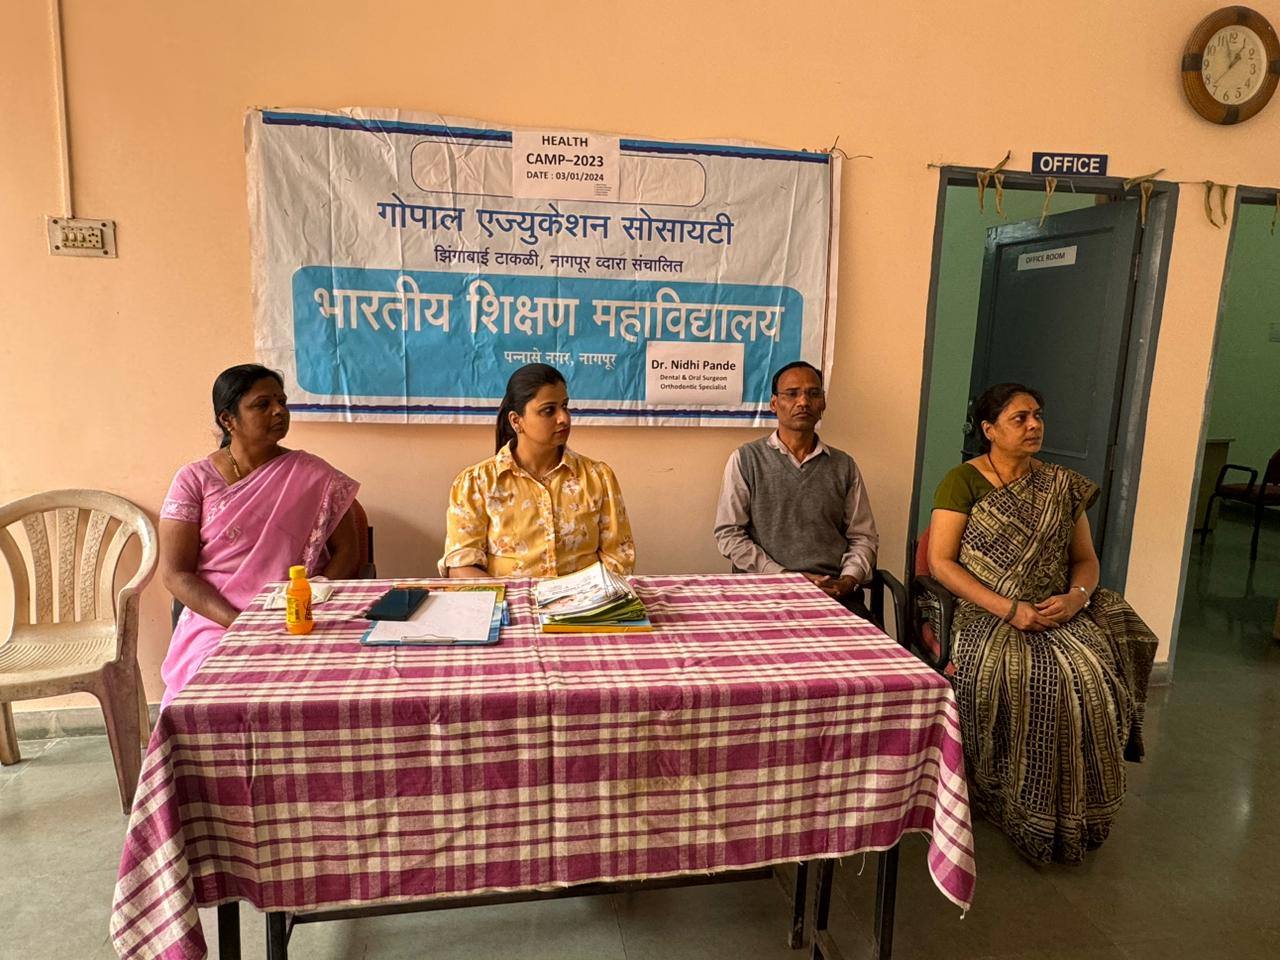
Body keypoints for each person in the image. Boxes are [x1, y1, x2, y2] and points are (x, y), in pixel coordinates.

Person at [927, 382, 1157, 864]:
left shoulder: (1061, 486)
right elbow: (941, 563)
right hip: (987, 610)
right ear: (989, 429)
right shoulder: (961, 481)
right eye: (1020, 418)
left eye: (1038, 416)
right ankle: (1009, 800)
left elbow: (1085, 561)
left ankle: (1080, 813)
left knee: (1094, 678)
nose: (1034, 425)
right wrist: (1009, 609)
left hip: (1058, 608)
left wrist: (1075, 599)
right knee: (1030, 677)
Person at [158, 364, 360, 706]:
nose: (279, 411)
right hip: (219, 619)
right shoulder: (194, 480)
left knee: (328, 690)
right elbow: (176, 574)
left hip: (298, 614)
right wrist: (240, 624)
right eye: (262, 404)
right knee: (215, 692)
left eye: (282, 402)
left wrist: (311, 600)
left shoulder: (313, 474)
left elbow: (348, 551)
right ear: (228, 420)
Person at [440, 363, 636, 578]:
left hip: (587, 599)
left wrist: (588, 596)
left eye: (565, 406)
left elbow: (619, 560)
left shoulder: (598, 478)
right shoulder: (476, 483)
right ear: (516, 421)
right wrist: (509, 596)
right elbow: (461, 566)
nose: (564, 418)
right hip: (507, 599)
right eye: (548, 410)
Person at [713, 361, 878, 609]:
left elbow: (863, 536)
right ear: (774, 403)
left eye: (813, 394)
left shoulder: (844, 466)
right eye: (791, 394)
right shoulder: (746, 460)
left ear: (823, 404)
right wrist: (782, 577)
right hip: (763, 592)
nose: (803, 402)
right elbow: (729, 534)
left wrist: (848, 580)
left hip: (831, 592)